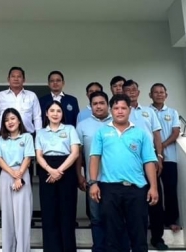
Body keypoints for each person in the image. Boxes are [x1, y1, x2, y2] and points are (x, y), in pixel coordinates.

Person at [88, 94, 159, 252]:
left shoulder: (141, 133)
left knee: (139, 233)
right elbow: (94, 158)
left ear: (130, 110)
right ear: (111, 110)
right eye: (116, 108)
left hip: (137, 188)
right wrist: (93, 183)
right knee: (112, 234)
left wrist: (153, 187)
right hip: (109, 188)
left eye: (123, 108)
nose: (120, 111)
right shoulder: (101, 133)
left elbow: (148, 161)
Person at [122, 80, 166, 250]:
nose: (131, 92)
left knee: (155, 199)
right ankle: (133, 239)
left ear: (139, 92)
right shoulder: (121, 111)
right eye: (128, 90)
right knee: (134, 202)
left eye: (134, 89)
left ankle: (157, 238)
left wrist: (159, 157)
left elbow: (157, 136)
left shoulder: (149, 112)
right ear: (123, 93)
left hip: (150, 159)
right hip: (130, 162)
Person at [35, 101, 81, 252]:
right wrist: (51, 170)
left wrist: (59, 171)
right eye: (52, 111)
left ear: (62, 114)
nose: (55, 114)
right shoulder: (41, 132)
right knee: (49, 212)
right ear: (46, 113)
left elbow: (75, 153)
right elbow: (39, 155)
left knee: (67, 212)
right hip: (46, 169)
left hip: (66, 168)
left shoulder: (70, 129)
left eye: (58, 111)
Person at [76, 91, 112, 252]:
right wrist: (79, 175)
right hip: (93, 179)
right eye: (95, 104)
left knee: (115, 217)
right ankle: (98, 248)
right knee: (96, 217)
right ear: (90, 106)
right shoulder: (82, 125)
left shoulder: (117, 123)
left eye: (102, 103)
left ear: (108, 105)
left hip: (114, 180)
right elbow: (78, 154)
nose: (98, 106)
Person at [0, 108, 35, 252]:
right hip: (6, 175)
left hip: (22, 174)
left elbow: (28, 158)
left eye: (12, 118)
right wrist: (13, 174)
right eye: (6, 120)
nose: (9, 122)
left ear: (18, 120)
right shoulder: (1, 139)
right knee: (7, 216)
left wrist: (19, 176)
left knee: (22, 216)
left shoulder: (27, 137)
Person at [149, 83, 181, 233]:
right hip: (152, 158)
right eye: (155, 92)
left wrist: (161, 145)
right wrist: (156, 149)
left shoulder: (172, 112)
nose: (159, 94)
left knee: (170, 189)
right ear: (150, 95)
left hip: (169, 158)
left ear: (166, 95)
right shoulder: (146, 112)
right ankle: (156, 221)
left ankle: (171, 220)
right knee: (155, 190)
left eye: (161, 92)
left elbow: (175, 132)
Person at [0, 67, 42, 151]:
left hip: (27, 136)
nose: (16, 79)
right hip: (5, 135)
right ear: (8, 79)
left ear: (24, 79)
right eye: (13, 76)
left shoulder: (32, 95)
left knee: (28, 158)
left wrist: (38, 137)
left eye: (19, 76)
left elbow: (37, 117)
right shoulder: (0, 95)